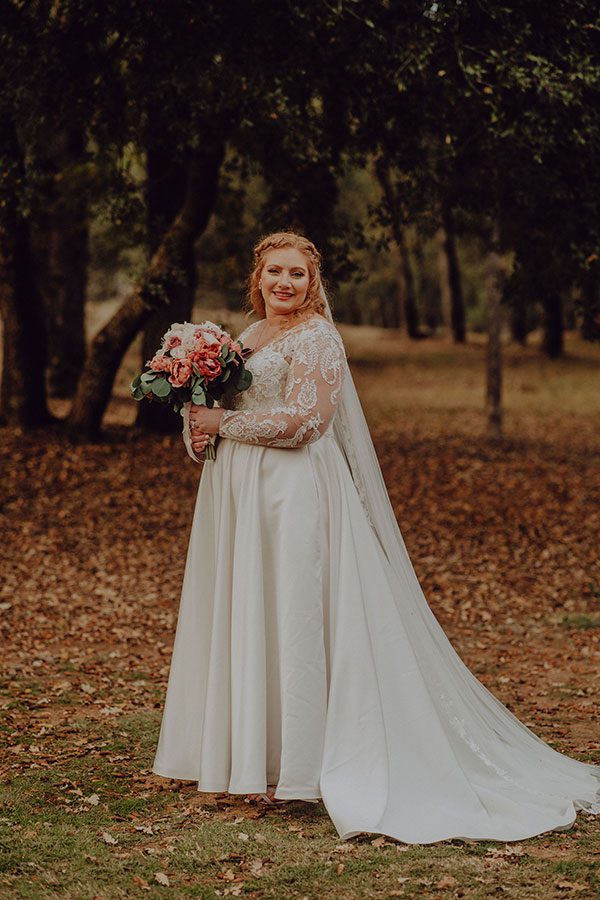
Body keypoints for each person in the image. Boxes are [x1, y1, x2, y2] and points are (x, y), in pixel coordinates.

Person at [152, 230, 600, 843]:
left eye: (298, 275)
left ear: (314, 284)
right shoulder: (246, 338)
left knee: (296, 616)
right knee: (252, 612)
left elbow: (309, 420)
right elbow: (209, 412)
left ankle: (303, 766)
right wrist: (196, 430)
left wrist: (222, 421)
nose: (285, 284)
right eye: (275, 273)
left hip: (295, 492)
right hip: (239, 493)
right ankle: (254, 757)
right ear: (256, 277)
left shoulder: (318, 338)